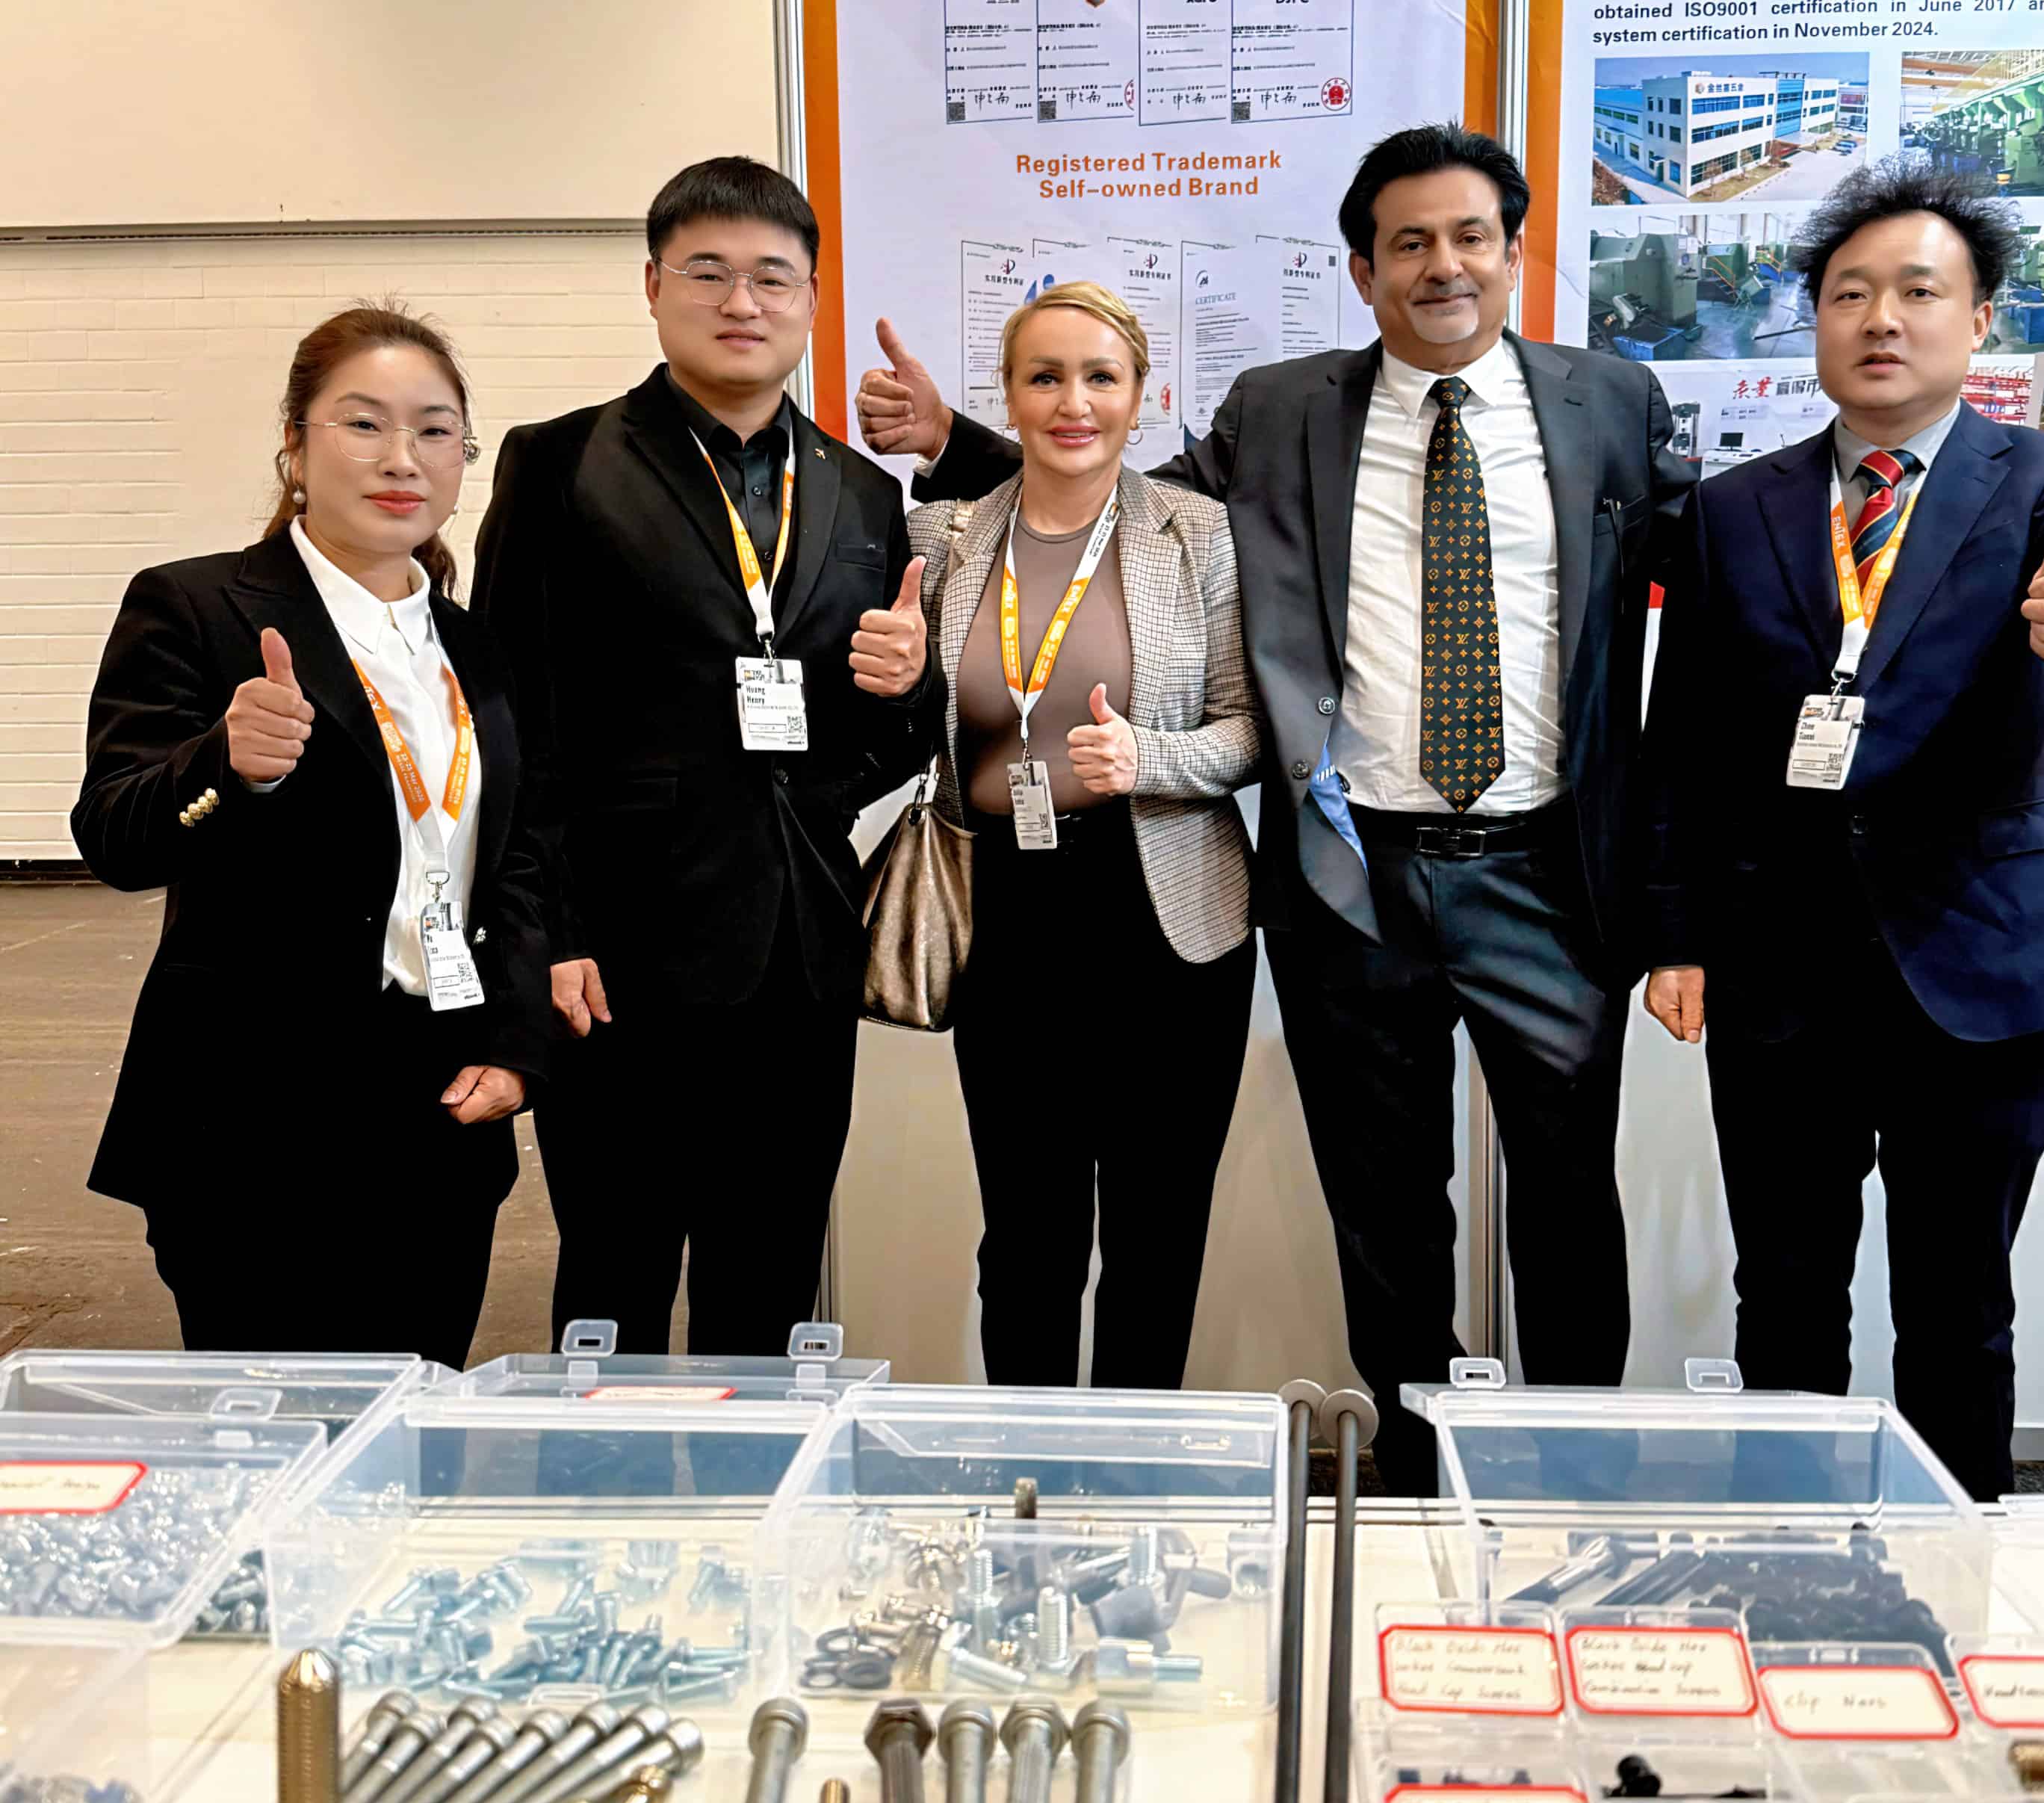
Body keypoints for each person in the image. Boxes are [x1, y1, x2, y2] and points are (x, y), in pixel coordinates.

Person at [858, 126, 1697, 1490]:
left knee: (1564, 1199)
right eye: (1408, 243)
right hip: (1350, 875)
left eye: (1469, 237)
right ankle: (1411, 1487)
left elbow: (1717, 599)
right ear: (1363, 271)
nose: (1442, 266)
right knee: (1387, 1218)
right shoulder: (1282, 408)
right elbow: (1105, 501)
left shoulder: (1611, 402)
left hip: (1548, 870)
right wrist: (959, 446)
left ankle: (1571, 1483)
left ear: (1515, 252)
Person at [1641, 158, 2044, 1501]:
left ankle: (1959, 1568)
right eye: (1850, 293)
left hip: (1982, 953)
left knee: (1957, 1300)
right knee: (1785, 1294)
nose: (1881, 318)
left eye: (1918, 292)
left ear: (1978, 319)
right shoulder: (1734, 508)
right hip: (1778, 966)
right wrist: (1677, 933)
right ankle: (1789, 1560)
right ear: (1815, 320)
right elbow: (1686, 738)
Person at [473, 155, 940, 1352]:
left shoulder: (860, 494)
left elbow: (887, 738)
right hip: (617, 950)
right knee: (614, 1276)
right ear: (653, 285)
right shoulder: (564, 461)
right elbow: (510, 716)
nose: (743, 302)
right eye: (709, 272)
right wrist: (547, 932)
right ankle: (606, 1475)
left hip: (802, 951)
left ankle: (755, 1477)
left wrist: (907, 688)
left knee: (770, 1279)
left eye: (773, 278)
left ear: (811, 300)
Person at [72, 303, 547, 1367]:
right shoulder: (197, 607)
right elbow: (113, 837)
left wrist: (517, 1047)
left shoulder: (475, 646)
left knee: (413, 1422)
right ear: (295, 443)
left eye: (435, 430)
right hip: (254, 1117)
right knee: (270, 1432)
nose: (402, 458)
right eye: (363, 423)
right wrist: (223, 763)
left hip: (439, 1109)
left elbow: (511, 859)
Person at [853, 280, 1258, 1388]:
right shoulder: (943, 538)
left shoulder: (1201, 537)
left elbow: (1251, 729)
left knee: (1156, 1236)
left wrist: (1149, 760)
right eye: (1046, 377)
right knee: (1027, 1237)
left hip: (1169, 919)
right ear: (1010, 394)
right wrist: (897, 682)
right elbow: (905, 728)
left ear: (1143, 396)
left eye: (1100, 378)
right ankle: (1024, 1464)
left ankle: (1134, 1472)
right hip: (1006, 914)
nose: (1073, 403)